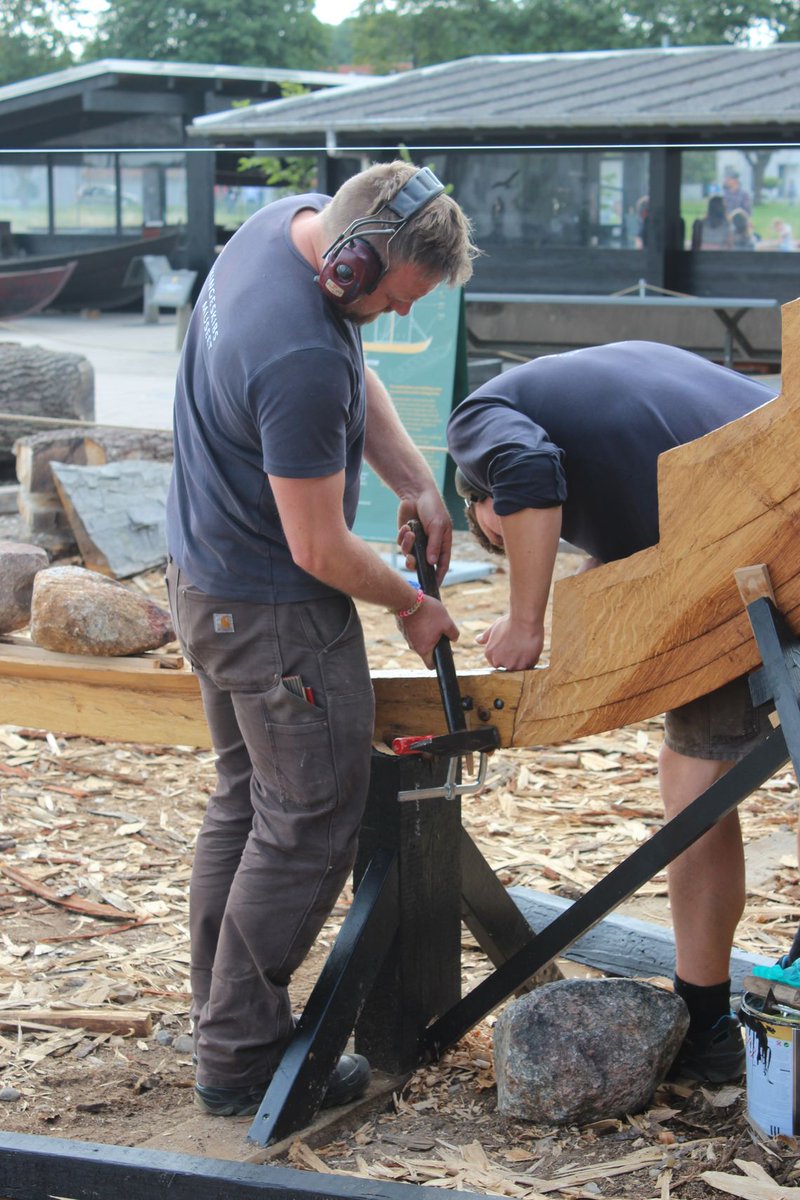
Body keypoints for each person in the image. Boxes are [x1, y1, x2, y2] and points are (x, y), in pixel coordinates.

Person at [165, 161, 476, 1117]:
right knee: (309, 818)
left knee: (249, 801)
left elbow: (356, 366)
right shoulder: (292, 352)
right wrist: (412, 607)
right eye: (391, 296)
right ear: (350, 264)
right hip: (273, 610)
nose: (391, 314)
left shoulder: (284, 229)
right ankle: (243, 1061)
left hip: (208, 580)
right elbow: (319, 546)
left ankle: (221, 1016)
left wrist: (418, 483)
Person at [446, 341, 778, 1083]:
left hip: (745, 542)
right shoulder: (607, 388)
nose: (529, 539)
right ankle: (708, 1016)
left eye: (496, 535)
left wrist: (525, 621)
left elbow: (526, 479)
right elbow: (631, 520)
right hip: (763, 504)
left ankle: (705, 1022)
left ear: (476, 499)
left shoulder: (481, 418)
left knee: (694, 790)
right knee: (693, 776)